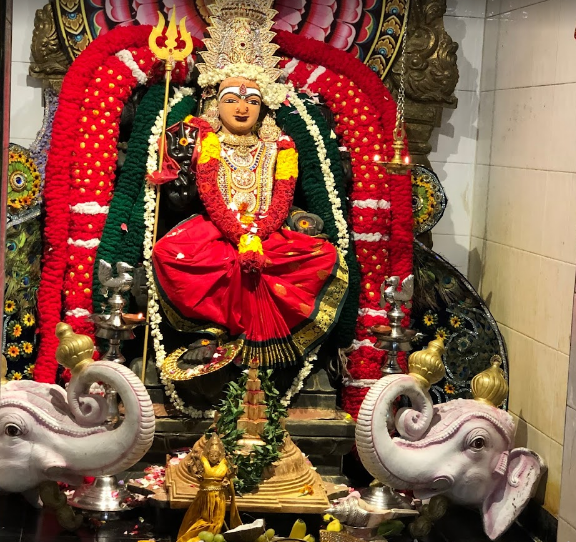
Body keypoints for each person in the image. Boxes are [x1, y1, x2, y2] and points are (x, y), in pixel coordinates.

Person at [151, 75, 349, 369]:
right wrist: (236, 232)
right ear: (215, 105)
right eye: (232, 100)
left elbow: (283, 196)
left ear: (264, 108)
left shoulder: (280, 147)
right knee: (168, 253)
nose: (242, 108)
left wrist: (264, 230)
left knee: (324, 256)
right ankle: (211, 332)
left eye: (252, 101)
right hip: (216, 228)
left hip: (269, 228)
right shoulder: (205, 141)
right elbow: (202, 193)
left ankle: (271, 344)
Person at [177, 433, 240, 542]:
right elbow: (195, 473)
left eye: (216, 456)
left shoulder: (224, 463)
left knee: (216, 522)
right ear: (208, 454)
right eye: (212, 455)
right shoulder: (202, 462)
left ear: (220, 455)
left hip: (219, 498)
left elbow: (229, 475)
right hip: (204, 497)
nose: (214, 458)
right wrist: (195, 471)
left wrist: (227, 480)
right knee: (202, 520)